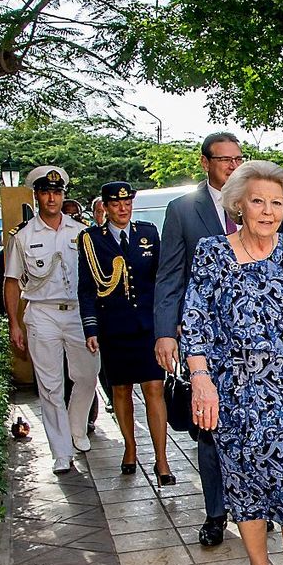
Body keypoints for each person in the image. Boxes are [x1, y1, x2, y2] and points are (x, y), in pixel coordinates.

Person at [182, 160, 283, 565]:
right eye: (257, 201)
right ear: (238, 205)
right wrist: (201, 381)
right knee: (244, 487)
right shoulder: (212, 252)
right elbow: (194, 321)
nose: (267, 211)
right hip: (232, 390)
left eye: (275, 203)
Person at [154, 131, 269, 547]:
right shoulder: (183, 210)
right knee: (210, 427)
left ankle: (255, 506)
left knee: (257, 424)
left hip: (259, 342)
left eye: (238, 158)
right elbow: (169, 275)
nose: (232, 166)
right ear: (205, 163)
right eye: (224, 159)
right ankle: (217, 513)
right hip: (208, 341)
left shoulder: (259, 205)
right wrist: (166, 332)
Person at [4, 166, 101, 475]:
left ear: (63, 195)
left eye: (57, 192)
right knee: (50, 387)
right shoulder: (23, 235)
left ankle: (76, 427)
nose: (51, 198)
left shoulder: (80, 232)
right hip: (42, 312)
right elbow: (11, 282)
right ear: (36, 196)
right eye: (45, 192)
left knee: (88, 375)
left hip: (77, 313)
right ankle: (61, 452)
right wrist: (14, 323)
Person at [78, 182, 174, 484]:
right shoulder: (92, 240)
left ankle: (162, 459)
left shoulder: (147, 233)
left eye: (127, 203)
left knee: (154, 389)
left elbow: (162, 280)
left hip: (147, 326)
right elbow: (86, 288)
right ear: (105, 207)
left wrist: (168, 324)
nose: (123, 208)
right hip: (114, 326)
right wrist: (90, 327)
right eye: (116, 204)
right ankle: (130, 447)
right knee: (120, 390)